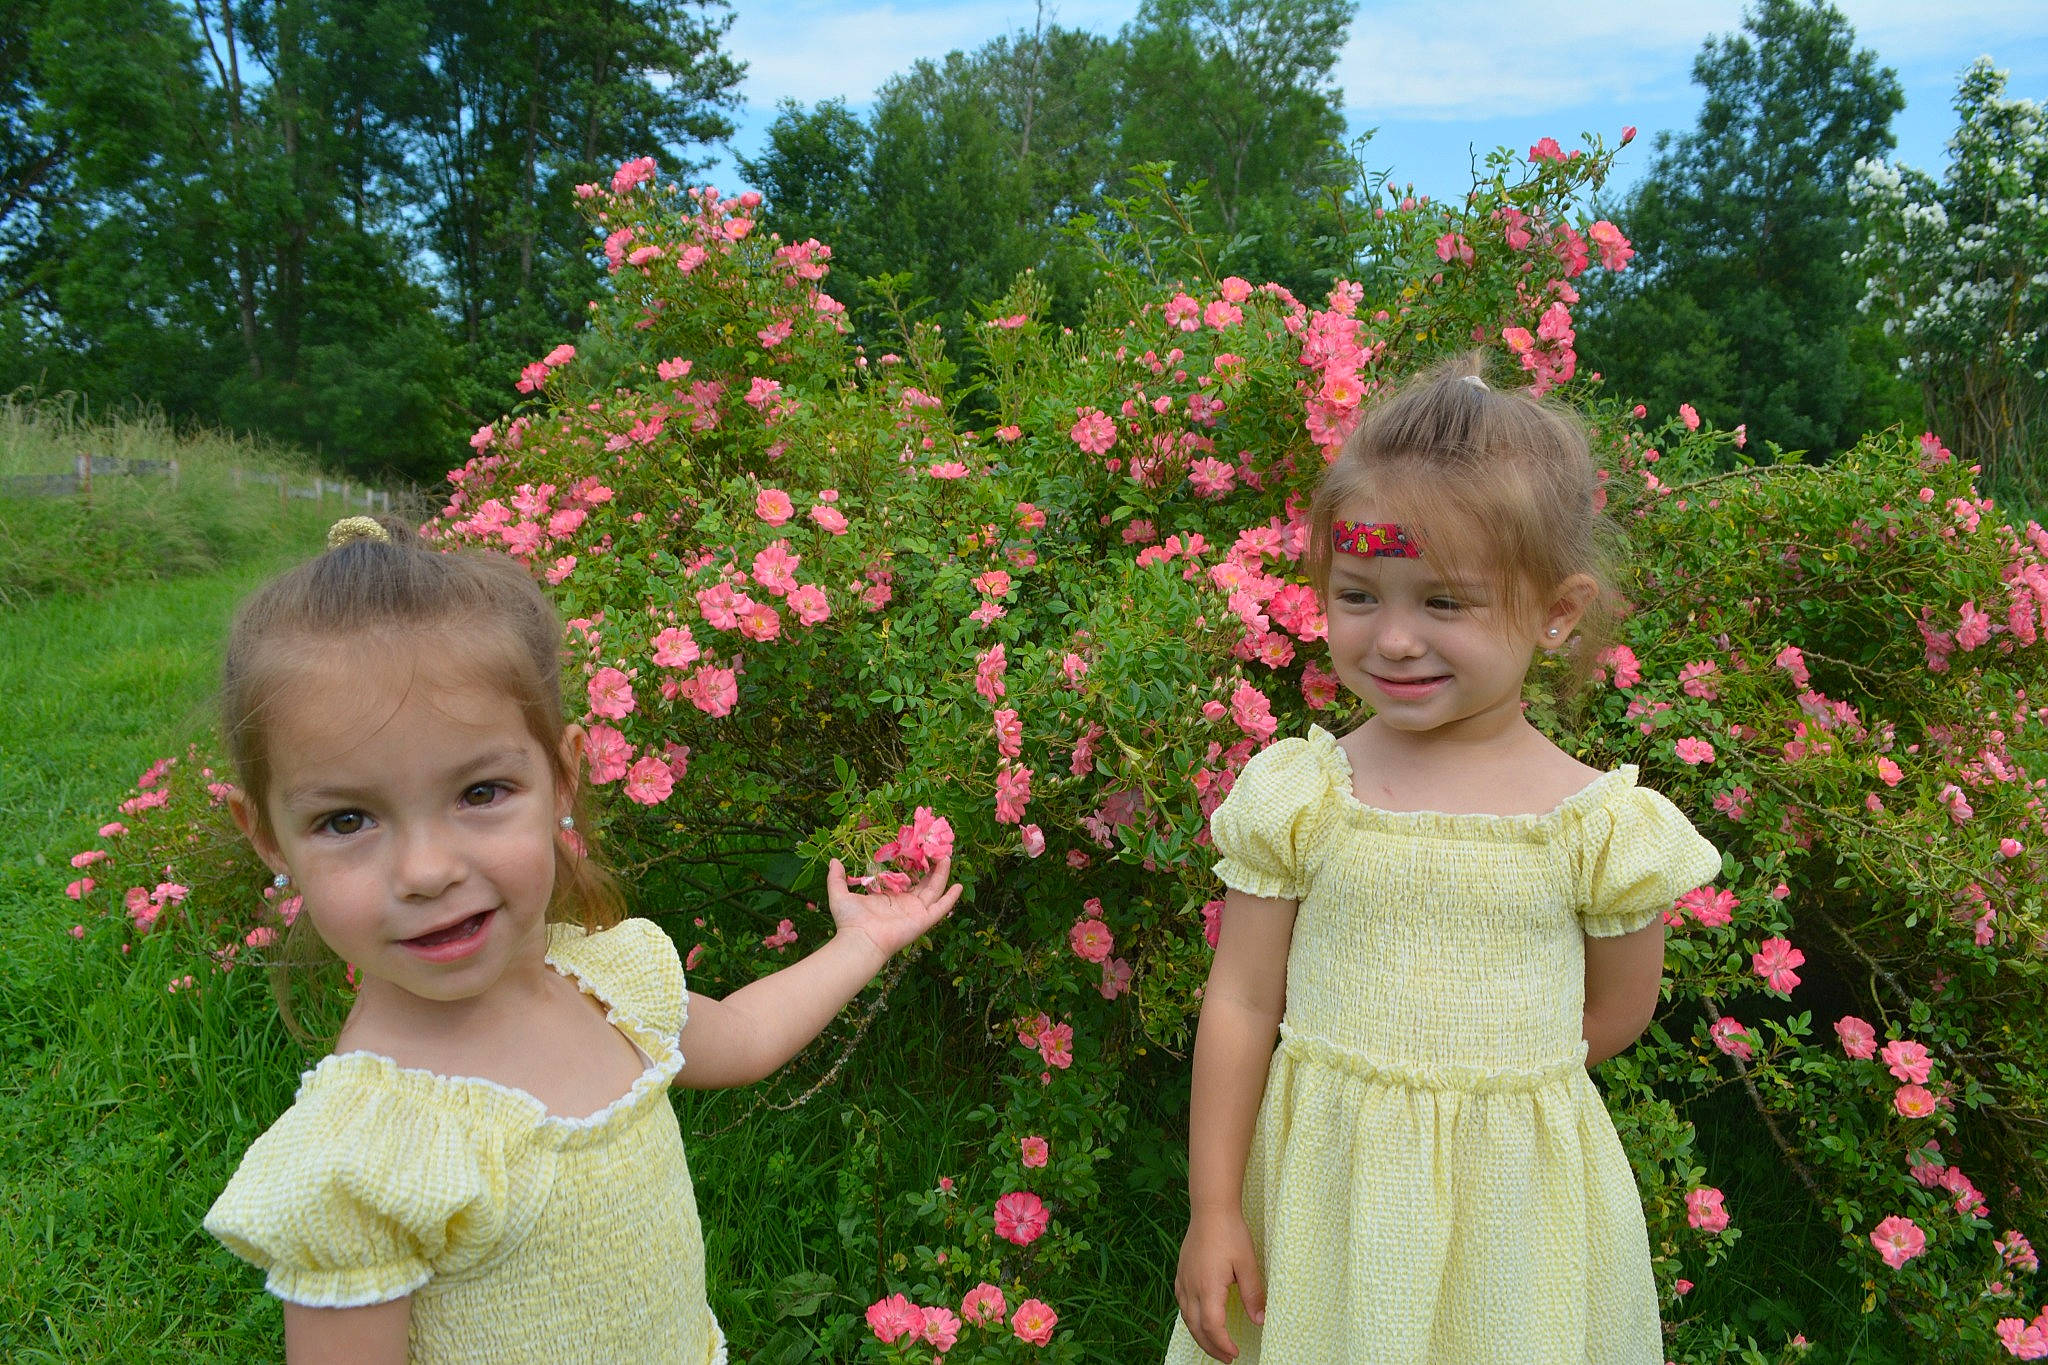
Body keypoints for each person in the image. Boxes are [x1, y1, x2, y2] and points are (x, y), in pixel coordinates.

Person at [203, 515, 960, 1364]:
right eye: (347, 818)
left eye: (481, 791)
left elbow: (743, 1038)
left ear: (562, 774)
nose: (424, 868)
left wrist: (861, 942)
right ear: (268, 835)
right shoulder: (366, 1153)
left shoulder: (608, 985)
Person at [1165, 356, 1720, 1364]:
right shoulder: (1305, 793)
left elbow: (1612, 1013)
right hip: (1324, 1193)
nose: (1393, 639)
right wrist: (1212, 1209)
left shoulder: (1592, 826)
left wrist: (1478, 1093)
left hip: (1515, 1212)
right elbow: (1241, 1001)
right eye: (1358, 594)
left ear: (1555, 613)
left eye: (1445, 604)